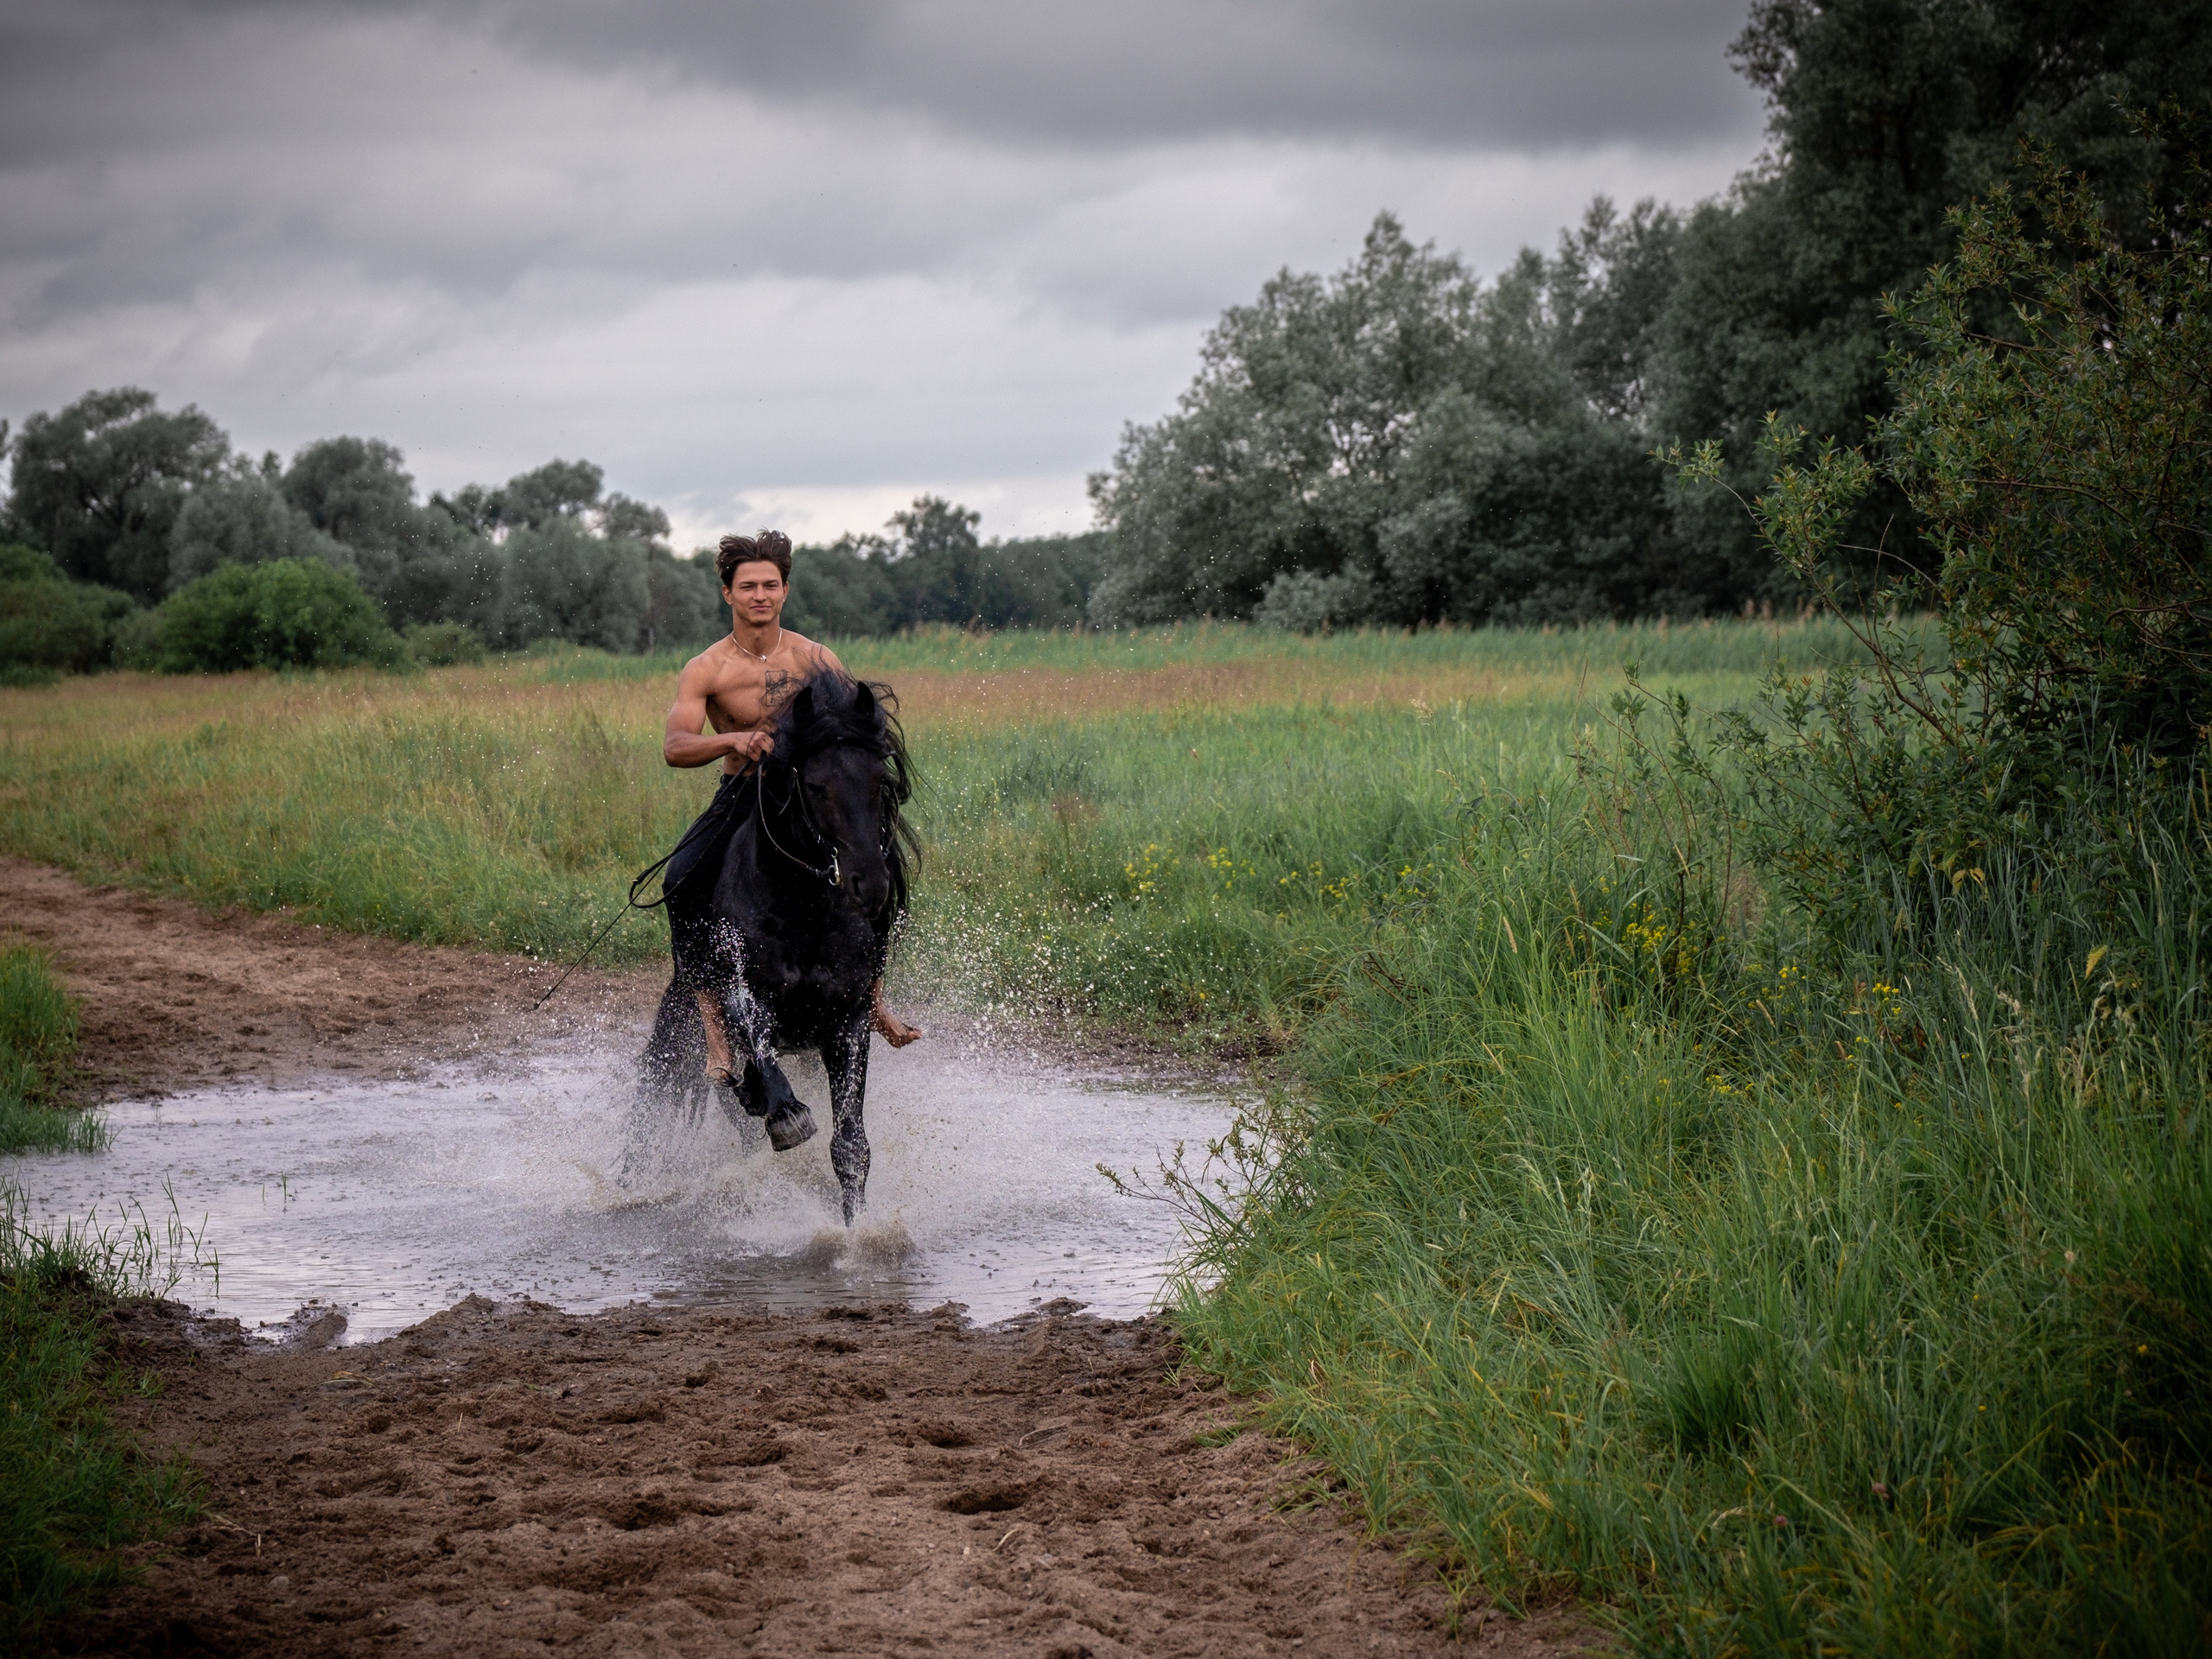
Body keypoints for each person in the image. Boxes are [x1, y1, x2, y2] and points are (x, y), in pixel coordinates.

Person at [660, 531, 922, 1083]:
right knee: (681, 878)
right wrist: (734, 740)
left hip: (810, 799)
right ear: (728, 593)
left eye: (770, 585)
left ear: (785, 590)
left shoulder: (816, 658)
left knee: (880, 867)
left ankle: (874, 997)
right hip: (744, 793)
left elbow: (856, 727)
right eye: (748, 586)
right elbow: (676, 747)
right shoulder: (707, 668)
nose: (760, 595)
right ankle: (714, 1029)